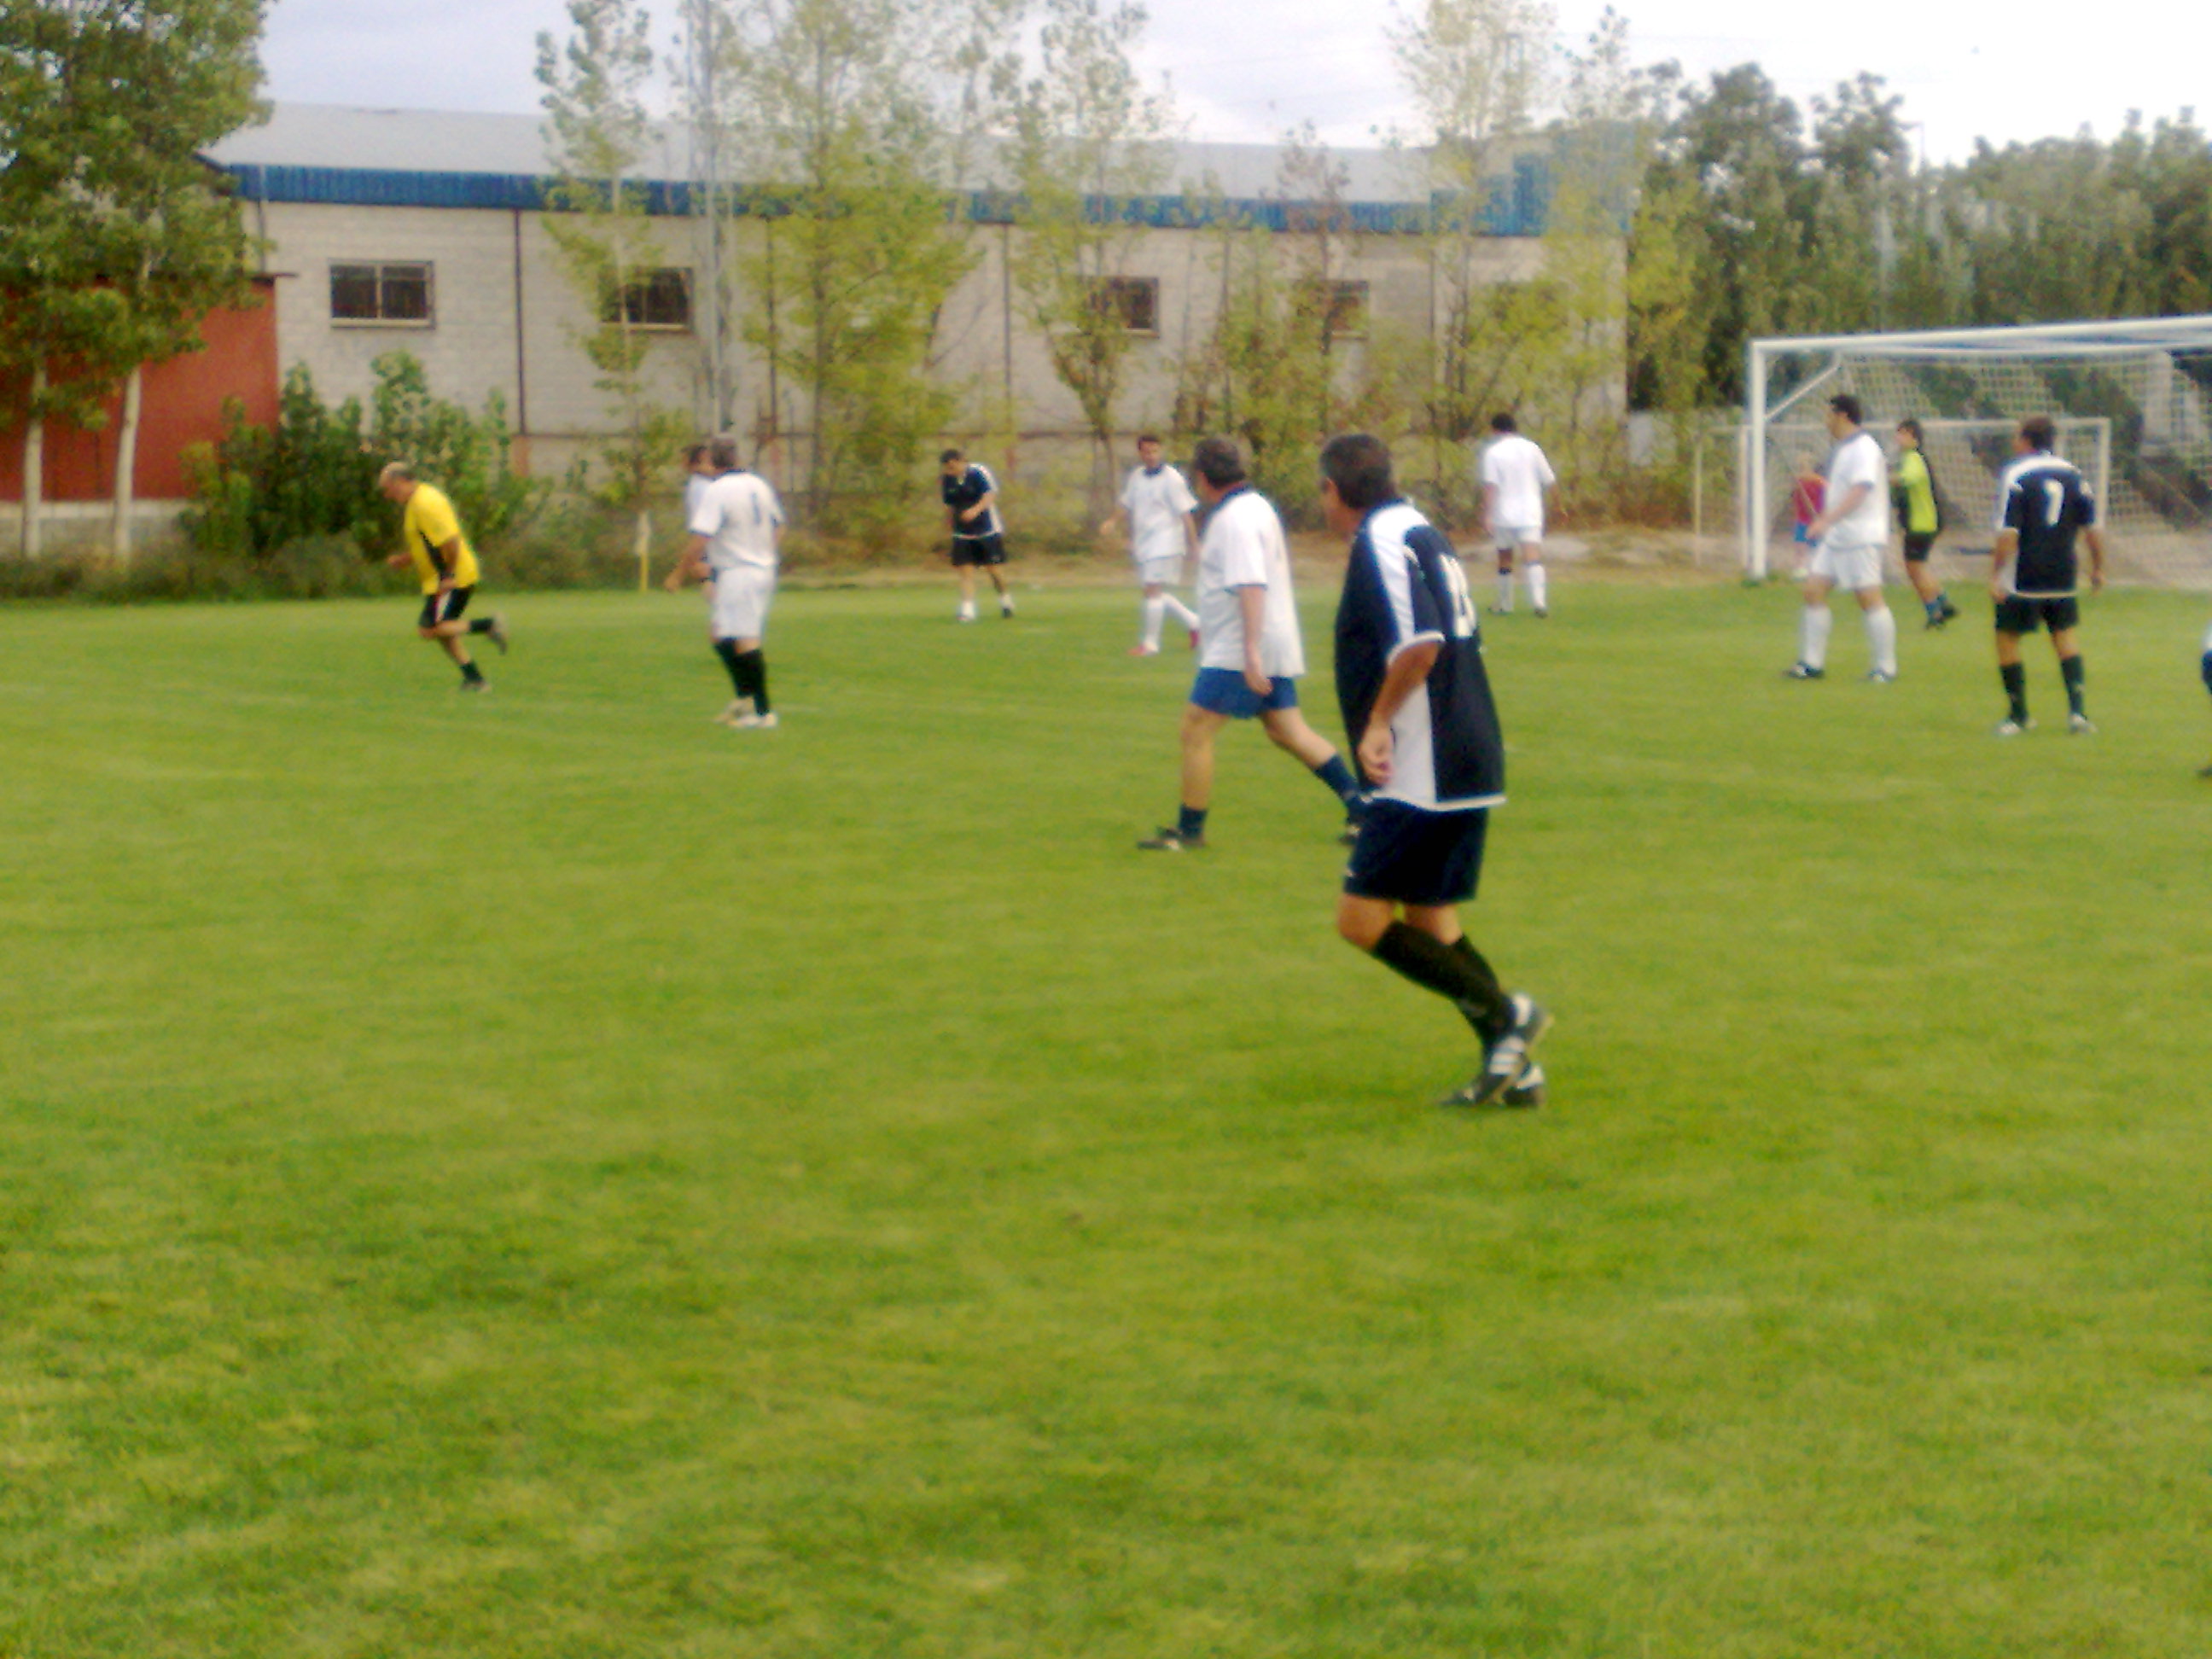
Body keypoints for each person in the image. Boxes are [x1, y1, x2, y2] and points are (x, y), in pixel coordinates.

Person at [1322, 432, 1549, 1108]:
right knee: (1430, 920)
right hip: (1463, 749)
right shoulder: (1419, 528)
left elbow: (1420, 645)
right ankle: (1516, 1071)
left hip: (1423, 764)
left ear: (1334, 490)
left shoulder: (1380, 540)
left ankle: (1509, 1016)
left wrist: (1376, 721)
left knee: (1360, 919)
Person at [1137, 436, 1367, 851]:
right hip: (1261, 639)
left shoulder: (1236, 518)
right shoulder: (1256, 506)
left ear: (1202, 478)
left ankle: (1189, 832)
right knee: (1286, 729)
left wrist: (1251, 654)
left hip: (1240, 645)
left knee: (1195, 728)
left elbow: (1251, 584)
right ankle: (1363, 809)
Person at [1989, 415, 2105, 737]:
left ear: (2026, 440)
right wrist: (2098, 568)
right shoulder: (2074, 474)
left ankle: (2018, 716)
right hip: (2063, 571)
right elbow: (2092, 529)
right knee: (2064, 636)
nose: (2013, 442)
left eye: (2016, 436)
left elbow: (2008, 533)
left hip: (2024, 573)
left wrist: (1995, 574)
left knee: (2006, 638)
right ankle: (2078, 714)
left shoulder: (2016, 474)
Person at [664, 434, 785, 730]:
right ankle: (745, 699)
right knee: (719, 634)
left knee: (745, 638)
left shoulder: (718, 490)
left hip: (740, 571)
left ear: (712, 459)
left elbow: (700, 538)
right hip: (755, 570)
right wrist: (765, 553)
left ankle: (762, 712)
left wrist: (678, 574)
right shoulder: (758, 483)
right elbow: (779, 525)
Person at [1787, 394, 1899, 684]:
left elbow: (1860, 490)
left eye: (1828, 414)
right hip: (1837, 536)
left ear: (1843, 415)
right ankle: (1811, 664)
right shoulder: (1843, 448)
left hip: (1860, 535)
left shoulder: (1864, 448)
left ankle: (1885, 667)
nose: (1825, 421)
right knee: (1813, 590)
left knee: (1868, 597)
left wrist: (1826, 519)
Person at [378, 462, 507, 690]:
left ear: (400, 482)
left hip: (452, 578)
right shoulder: (417, 501)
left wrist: (448, 576)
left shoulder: (426, 503)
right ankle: (475, 679)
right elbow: (428, 544)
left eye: (388, 489)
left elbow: (451, 541)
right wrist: (404, 560)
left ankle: (489, 625)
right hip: (442, 578)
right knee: (444, 630)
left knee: (428, 629)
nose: (387, 495)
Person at [1104, 433, 1201, 655]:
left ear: (1161, 451)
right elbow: (1127, 503)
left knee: (1153, 590)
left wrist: (1194, 544)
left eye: (1155, 451)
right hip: (1145, 543)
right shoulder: (1137, 477)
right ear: (1140, 453)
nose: (1151, 456)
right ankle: (1195, 622)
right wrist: (1112, 521)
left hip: (1166, 542)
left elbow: (1185, 512)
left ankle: (1150, 644)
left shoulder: (1172, 478)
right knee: (1152, 592)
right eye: (1146, 452)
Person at [1479, 412, 1557, 616]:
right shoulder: (1532, 448)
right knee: (1532, 555)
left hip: (1503, 512)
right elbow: (1549, 480)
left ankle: (1505, 604)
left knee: (1505, 557)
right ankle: (1539, 602)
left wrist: (1487, 514)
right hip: (1530, 511)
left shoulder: (1493, 452)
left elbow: (1491, 486)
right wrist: (1558, 506)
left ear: (1495, 430)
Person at [1893, 418, 1959, 629]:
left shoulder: (1913, 457)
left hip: (1920, 523)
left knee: (1915, 569)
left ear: (1913, 436)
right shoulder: (1913, 457)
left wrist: (1882, 478)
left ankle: (1935, 613)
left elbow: (1907, 479)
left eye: (1902, 433)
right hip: (1924, 522)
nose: (1898, 438)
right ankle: (1944, 603)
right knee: (1919, 566)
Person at [939, 448, 1014, 621]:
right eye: (947, 468)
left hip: (987, 530)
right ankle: (968, 610)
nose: (951, 471)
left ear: (961, 461)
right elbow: (949, 504)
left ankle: (1005, 600)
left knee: (994, 570)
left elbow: (990, 495)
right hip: (962, 532)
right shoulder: (947, 479)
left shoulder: (978, 472)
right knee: (966, 572)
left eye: (953, 467)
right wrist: (949, 524)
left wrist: (975, 510)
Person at [1788, 453, 1824, 580]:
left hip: (1816, 518)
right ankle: (1800, 568)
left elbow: (1824, 498)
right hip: (1802, 518)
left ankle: (1815, 568)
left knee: (1815, 545)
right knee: (1800, 545)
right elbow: (1795, 500)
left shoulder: (1820, 482)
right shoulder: (1798, 482)